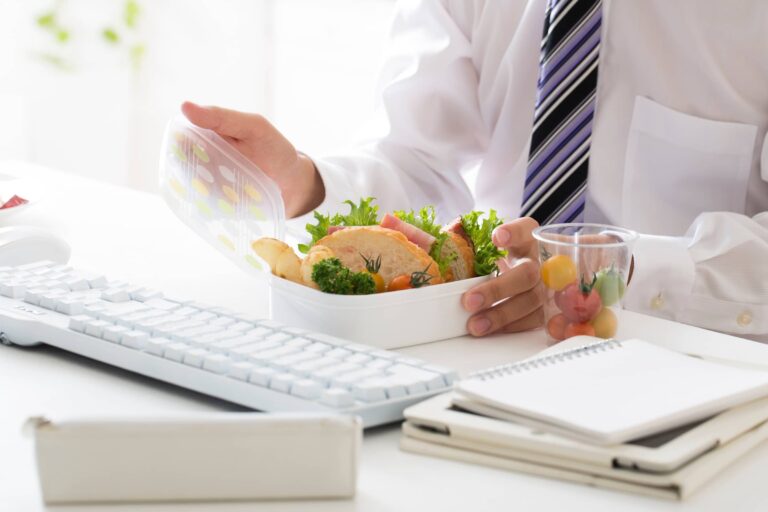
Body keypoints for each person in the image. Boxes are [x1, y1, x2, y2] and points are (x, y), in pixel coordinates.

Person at [182, 0, 768, 342]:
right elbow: (417, 159)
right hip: (482, 347)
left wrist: (612, 276)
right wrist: (305, 184)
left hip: (696, 365)